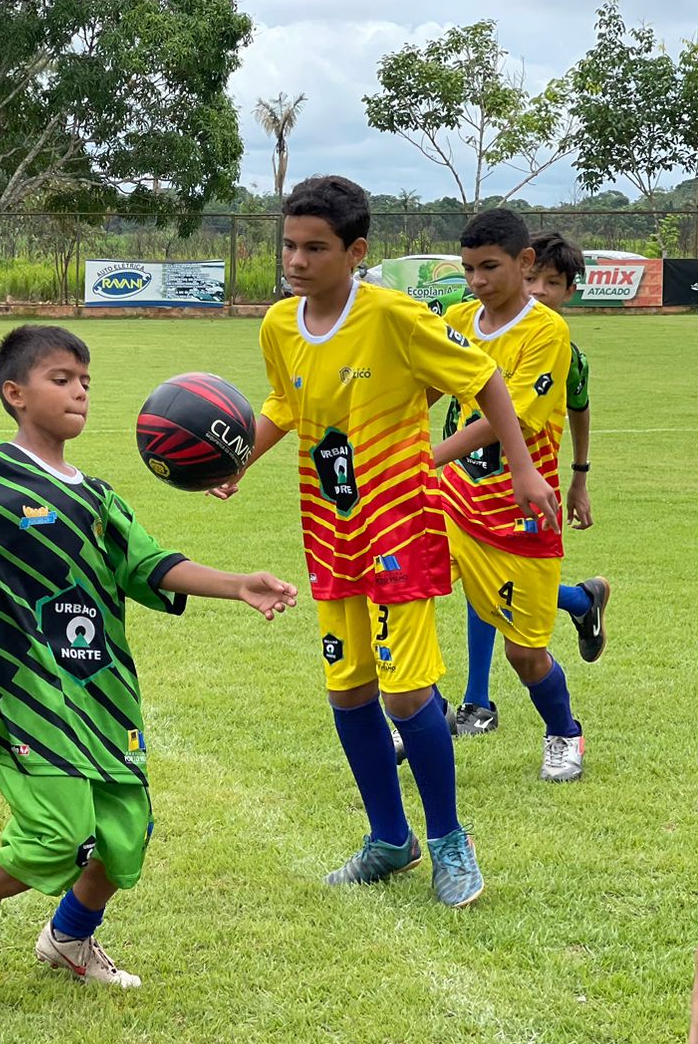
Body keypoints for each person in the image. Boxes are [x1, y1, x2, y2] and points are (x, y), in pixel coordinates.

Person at [0, 324, 298, 997]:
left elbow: (152, 564)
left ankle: (68, 940)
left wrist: (237, 583)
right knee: (57, 835)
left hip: (105, 693)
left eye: (86, 382)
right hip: (27, 697)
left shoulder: (98, 497)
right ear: (15, 392)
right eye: (61, 379)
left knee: (125, 842)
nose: (79, 392)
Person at [211, 175, 559, 908]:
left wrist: (525, 472)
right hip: (329, 529)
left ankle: (449, 842)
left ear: (356, 250)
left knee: (406, 696)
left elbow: (486, 379)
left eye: (315, 248)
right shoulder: (278, 325)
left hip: (401, 524)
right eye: (289, 246)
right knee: (350, 691)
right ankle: (388, 840)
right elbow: (282, 401)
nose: (297, 262)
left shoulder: (395, 317)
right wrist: (242, 457)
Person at [434, 210, 594, 783]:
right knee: (400, 597)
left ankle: (564, 733)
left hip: (519, 513)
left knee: (524, 654)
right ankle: (421, 720)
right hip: (449, 500)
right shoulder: (457, 319)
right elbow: (420, 382)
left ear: (524, 263)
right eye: (468, 268)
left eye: (490, 268)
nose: (477, 281)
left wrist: (427, 456)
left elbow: (516, 421)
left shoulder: (547, 332)